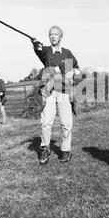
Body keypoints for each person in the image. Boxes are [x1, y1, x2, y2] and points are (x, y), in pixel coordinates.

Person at [31, 26, 80, 165]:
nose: (53, 36)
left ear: (60, 37)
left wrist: (73, 72)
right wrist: (34, 42)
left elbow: (76, 68)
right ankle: (45, 148)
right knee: (46, 122)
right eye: (51, 34)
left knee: (66, 123)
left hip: (64, 91)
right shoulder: (46, 51)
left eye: (55, 34)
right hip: (49, 91)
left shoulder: (67, 53)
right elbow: (38, 49)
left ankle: (65, 150)